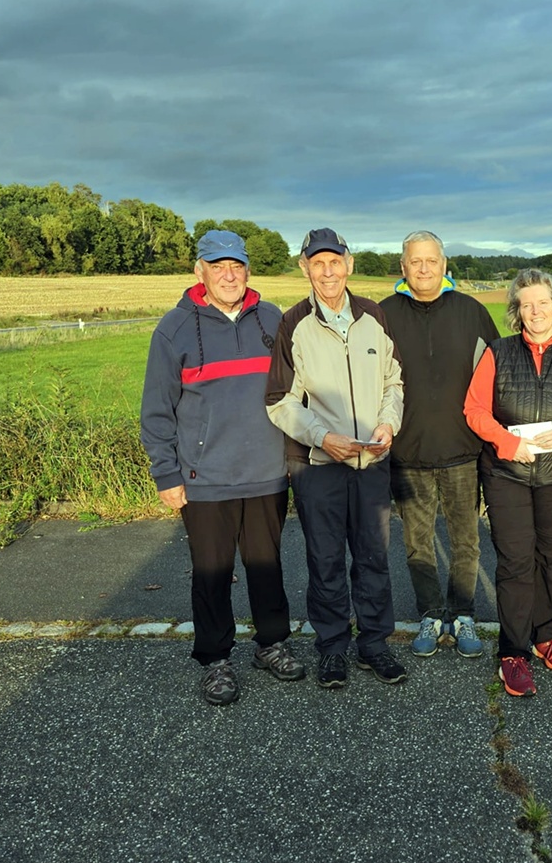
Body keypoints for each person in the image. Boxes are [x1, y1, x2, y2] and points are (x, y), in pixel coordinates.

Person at [141, 229, 304, 707]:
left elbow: (295, 394)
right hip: (204, 478)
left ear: (247, 271)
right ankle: (215, 659)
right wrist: (166, 475)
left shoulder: (271, 319)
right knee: (212, 572)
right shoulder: (174, 329)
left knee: (266, 566)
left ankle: (271, 644)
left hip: (267, 472)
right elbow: (156, 411)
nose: (229, 276)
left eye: (236, 266)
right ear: (200, 272)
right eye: (218, 267)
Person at [265, 228, 407, 689]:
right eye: (317, 263)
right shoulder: (293, 324)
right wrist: (323, 438)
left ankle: (374, 644)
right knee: (325, 560)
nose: (328, 271)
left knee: (373, 558)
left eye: (335, 261)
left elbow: (393, 382)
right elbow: (279, 400)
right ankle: (332, 648)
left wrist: (388, 424)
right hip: (318, 466)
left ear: (349, 264)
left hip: (372, 463)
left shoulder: (374, 315)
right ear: (304, 268)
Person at [379, 231, 499, 661]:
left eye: (432, 260)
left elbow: (494, 376)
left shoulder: (472, 312)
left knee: (466, 540)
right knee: (418, 542)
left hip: (462, 450)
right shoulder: (383, 315)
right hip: (407, 451)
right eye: (416, 261)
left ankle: (463, 614)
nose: (424, 268)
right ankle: (430, 614)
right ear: (403, 267)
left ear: (445, 265)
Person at [464, 269, 552, 697]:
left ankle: (546, 634)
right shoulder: (497, 353)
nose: (535, 311)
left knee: (550, 556)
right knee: (515, 561)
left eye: (543, 302)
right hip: (506, 474)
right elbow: (475, 410)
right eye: (526, 304)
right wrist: (507, 443)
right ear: (517, 311)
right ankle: (513, 651)